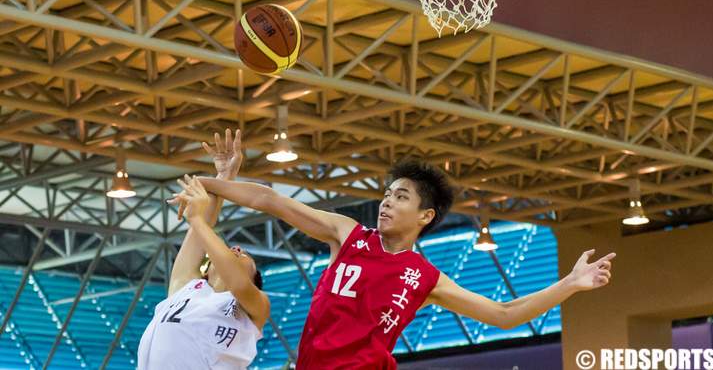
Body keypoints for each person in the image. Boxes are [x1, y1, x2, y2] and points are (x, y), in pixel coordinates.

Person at [173, 144, 615, 370]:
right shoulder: (347, 234)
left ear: (425, 215)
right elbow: (271, 200)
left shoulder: (424, 277)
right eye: (386, 194)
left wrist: (570, 284)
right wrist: (210, 185)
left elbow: (504, 314)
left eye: (399, 196)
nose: (386, 202)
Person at [138, 130, 269, 370]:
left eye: (246, 256)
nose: (237, 248)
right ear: (206, 271)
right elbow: (199, 232)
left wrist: (197, 219)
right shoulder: (185, 287)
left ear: (254, 280)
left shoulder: (256, 305)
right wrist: (224, 176)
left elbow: (239, 284)